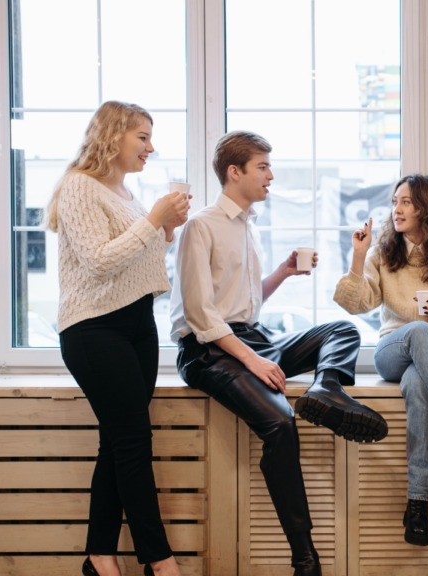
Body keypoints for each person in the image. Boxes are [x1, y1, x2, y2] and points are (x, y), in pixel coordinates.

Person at [170, 130, 388, 576]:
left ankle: (327, 389)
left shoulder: (247, 227)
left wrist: (283, 273)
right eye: (263, 167)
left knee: (341, 330)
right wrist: (253, 361)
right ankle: (303, 555)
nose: (271, 176)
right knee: (280, 422)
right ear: (235, 172)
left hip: (250, 337)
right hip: (207, 351)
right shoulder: (201, 226)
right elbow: (201, 314)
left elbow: (242, 303)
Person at [47, 101, 189, 576]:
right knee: (132, 442)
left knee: (118, 442)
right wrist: (154, 222)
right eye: (143, 137)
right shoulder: (79, 188)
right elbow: (100, 262)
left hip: (135, 325)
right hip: (94, 327)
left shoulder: (125, 193)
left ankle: (99, 555)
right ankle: (159, 559)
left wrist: (164, 230)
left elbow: (135, 262)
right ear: (113, 136)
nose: (151, 147)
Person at [334, 174, 428, 547]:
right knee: (420, 331)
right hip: (395, 349)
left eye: (406, 202)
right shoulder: (383, 254)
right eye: (395, 202)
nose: (396, 209)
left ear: (426, 208)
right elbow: (357, 303)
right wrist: (358, 255)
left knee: (420, 383)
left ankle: (417, 505)